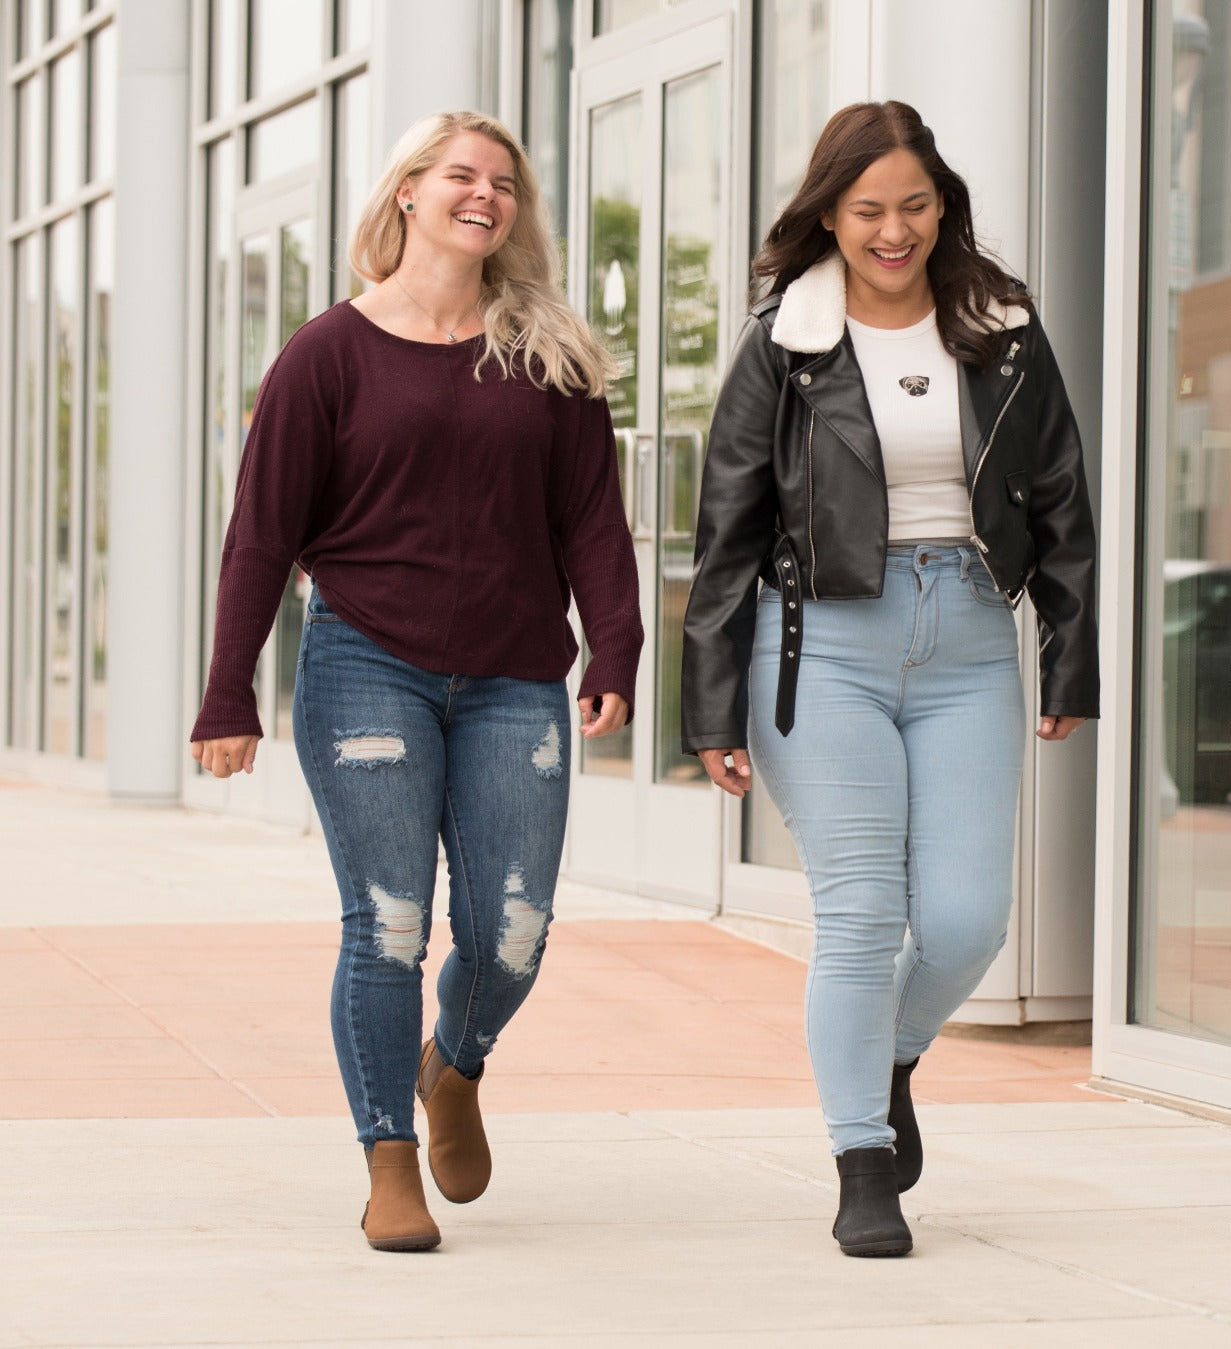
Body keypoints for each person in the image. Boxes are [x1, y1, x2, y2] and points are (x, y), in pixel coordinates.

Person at [190, 111, 643, 1253]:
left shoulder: (546, 354)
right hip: (366, 665)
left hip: (513, 678)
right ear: (406, 193)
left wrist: (618, 646)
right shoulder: (324, 354)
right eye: (458, 175)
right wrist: (227, 690)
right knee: (388, 922)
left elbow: (591, 518)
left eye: (501, 180)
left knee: (513, 932)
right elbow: (260, 535)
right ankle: (388, 1153)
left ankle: (457, 1061)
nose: (482, 193)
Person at [681, 102, 1098, 1258]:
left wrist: (1069, 648)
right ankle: (861, 1156)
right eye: (867, 208)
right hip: (822, 642)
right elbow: (726, 523)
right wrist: (709, 699)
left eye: (913, 204)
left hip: (967, 635)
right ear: (827, 212)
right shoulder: (789, 337)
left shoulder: (1000, 324)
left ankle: (889, 1050)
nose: (892, 229)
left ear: (942, 204)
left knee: (965, 921)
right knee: (861, 912)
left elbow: (1059, 498)